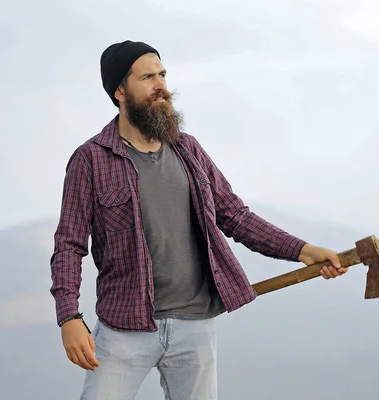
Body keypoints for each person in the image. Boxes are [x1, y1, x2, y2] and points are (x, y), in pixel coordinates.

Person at [49, 40, 348, 400]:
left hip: (195, 326)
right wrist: (69, 318)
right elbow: (69, 244)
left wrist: (302, 250)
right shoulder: (91, 159)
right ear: (119, 91)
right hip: (123, 328)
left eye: (162, 74)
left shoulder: (188, 149)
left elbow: (235, 216)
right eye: (147, 77)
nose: (161, 85)